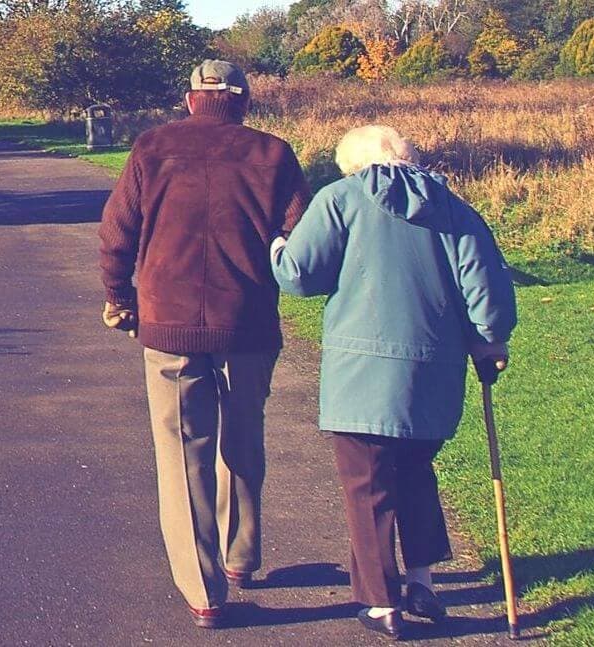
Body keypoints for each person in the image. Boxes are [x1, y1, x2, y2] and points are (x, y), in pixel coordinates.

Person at [270, 125, 517, 640]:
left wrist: (277, 245)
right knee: (415, 471)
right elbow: (486, 291)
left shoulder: (340, 199)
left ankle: (381, 602)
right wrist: (491, 341)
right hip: (434, 372)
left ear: (353, 165)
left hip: (361, 374)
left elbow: (299, 275)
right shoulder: (454, 208)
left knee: (368, 485)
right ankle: (422, 581)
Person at [98, 60, 310, 628]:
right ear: (243, 100)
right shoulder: (273, 153)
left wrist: (119, 296)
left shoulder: (152, 147)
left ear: (191, 98)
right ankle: (240, 555)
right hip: (248, 323)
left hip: (168, 322)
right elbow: (300, 237)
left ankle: (203, 591)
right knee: (243, 437)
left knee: (181, 452)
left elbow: (116, 232)